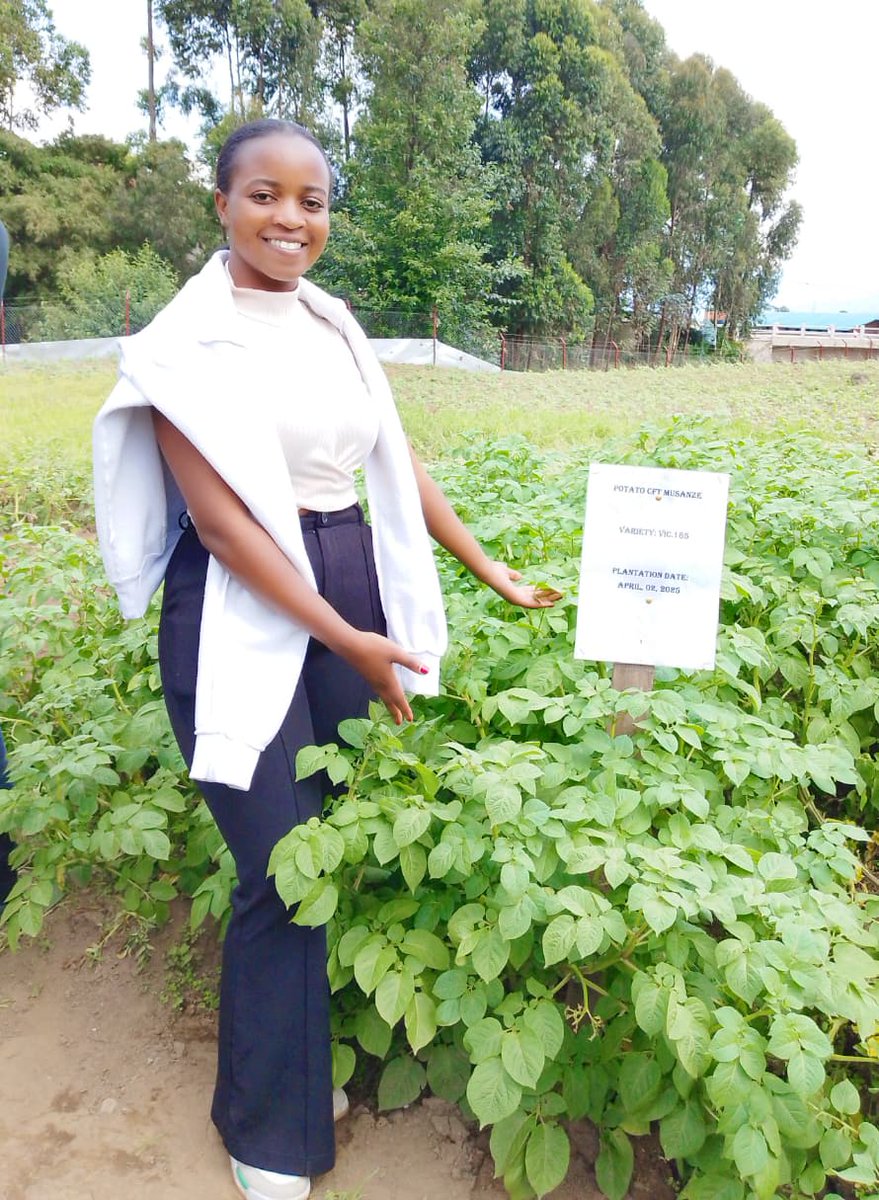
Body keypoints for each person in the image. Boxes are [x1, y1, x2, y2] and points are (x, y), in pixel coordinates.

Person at [92, 118, 559, 1200]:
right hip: (241, 605)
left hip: (349, 579)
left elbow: (393, 458)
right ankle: (266, 1131)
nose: (290, 219)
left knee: (324, 850)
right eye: (265, 195)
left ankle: (295, 1081)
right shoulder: (179, 345)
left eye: (311, 200)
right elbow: (221, 526)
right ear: (220, 203)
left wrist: (486, 570)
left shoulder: (332, 323)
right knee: (274, 870)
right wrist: (344, 635)